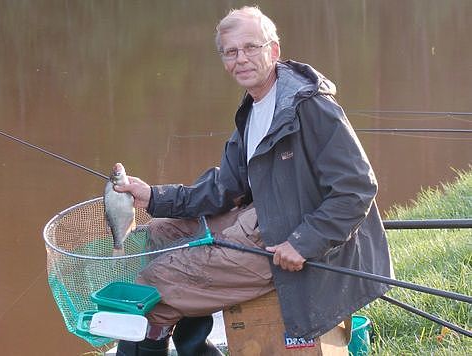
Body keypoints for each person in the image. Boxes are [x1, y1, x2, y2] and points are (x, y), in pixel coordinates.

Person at [115, 6, 393, 356]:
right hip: (262, 218)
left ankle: (162, 330)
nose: (241, 59)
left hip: (291, 238)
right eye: (231, 52)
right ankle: (188, 337)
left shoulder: (310, 106)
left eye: (251, 48)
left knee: (157, 282)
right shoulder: (253, 107)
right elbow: (224, 189)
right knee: (161, 233)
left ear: (273, 50)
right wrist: (154, 197)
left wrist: (304, 242)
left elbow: (358, 188)